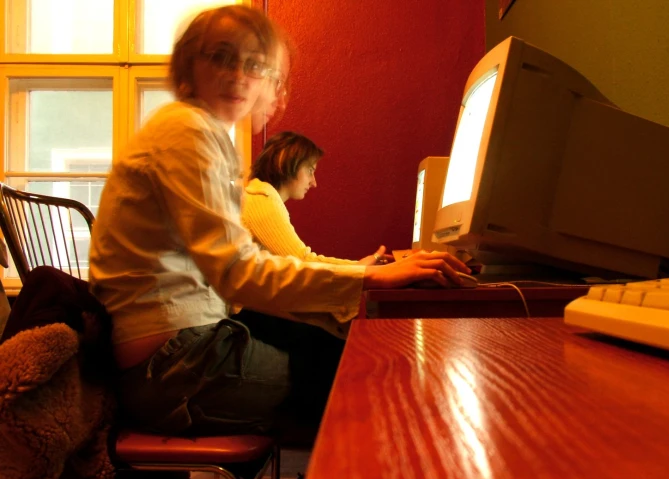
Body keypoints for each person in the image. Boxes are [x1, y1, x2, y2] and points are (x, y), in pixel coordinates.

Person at [89, 5, 469, 443]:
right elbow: (238, 275)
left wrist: (367, 279)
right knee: (371, 380)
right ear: (186, 68)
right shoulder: (189, 132)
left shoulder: (196, 131)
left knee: (341, 351)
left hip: (179, 351)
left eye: (254, 65)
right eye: (220, 57)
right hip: (172, 366)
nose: (238, 75)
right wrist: (369, 278)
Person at [244, 131, 390, 266]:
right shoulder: (262, 198)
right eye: (310, 171)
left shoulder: (258, 195)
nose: (314, 182)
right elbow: (303, 263)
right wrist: (361, 268)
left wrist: (359, 267)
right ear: (287, 163)